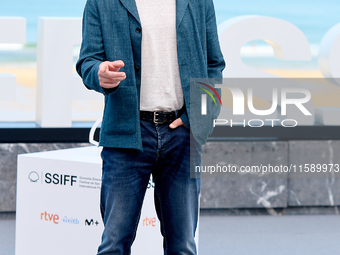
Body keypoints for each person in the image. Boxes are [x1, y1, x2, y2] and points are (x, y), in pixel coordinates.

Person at [76, 0, 225, 254]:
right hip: (126, 132)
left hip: (182, 136)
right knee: (114, 243)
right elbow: (87, 61)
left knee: (183, 246)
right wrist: (99, 72)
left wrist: (198, 117)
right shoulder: (101, 2)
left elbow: (214, 65)